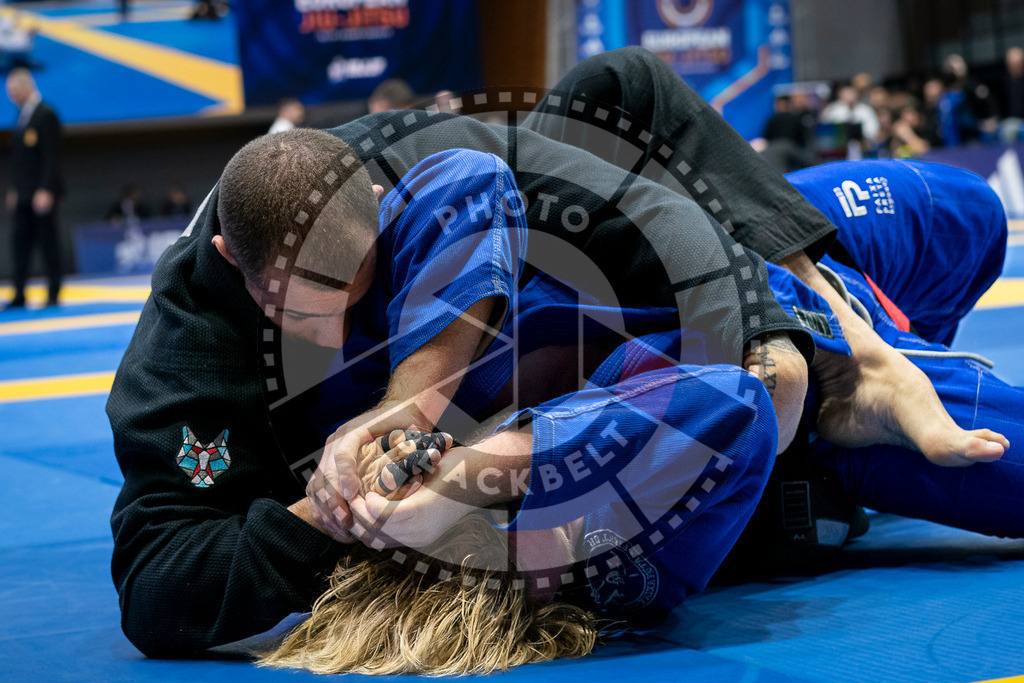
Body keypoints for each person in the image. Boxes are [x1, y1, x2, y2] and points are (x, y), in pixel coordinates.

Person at [107, 47, 1003, 657]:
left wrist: (786, 334)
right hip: (772, 427)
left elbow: (614, 187)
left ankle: (861, 335)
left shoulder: (423, 177)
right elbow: (722, 409)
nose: (336, 324)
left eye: (357, 287)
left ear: (380, 207)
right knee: (965, 227)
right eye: (303, 308)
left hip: (720, 305)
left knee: (615, 98)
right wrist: (345, 511)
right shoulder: (194, 361)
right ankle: (859, 341)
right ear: (235, 267)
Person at [258, 156, 1016, 676]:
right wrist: (473, 477)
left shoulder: (359, 402)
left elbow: (466, 176)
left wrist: (383, 443)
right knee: (969, 218)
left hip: (739, 256)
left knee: (972, 215)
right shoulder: (620, 567)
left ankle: (899, 334)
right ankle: (897, 343)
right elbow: (735, 403)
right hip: (822, 384)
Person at [4, 67, 62, 309]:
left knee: (47, 243)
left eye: (14, 91)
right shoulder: (22, 115)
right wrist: (14, 189)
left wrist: (45, 189)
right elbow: (20, 160)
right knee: (19, 244)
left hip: (41, 193)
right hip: (24, 194)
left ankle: (53, 293)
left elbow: (51, 156)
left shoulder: (45, 114)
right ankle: (19, 293)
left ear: (26, 87)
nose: (11, 96)